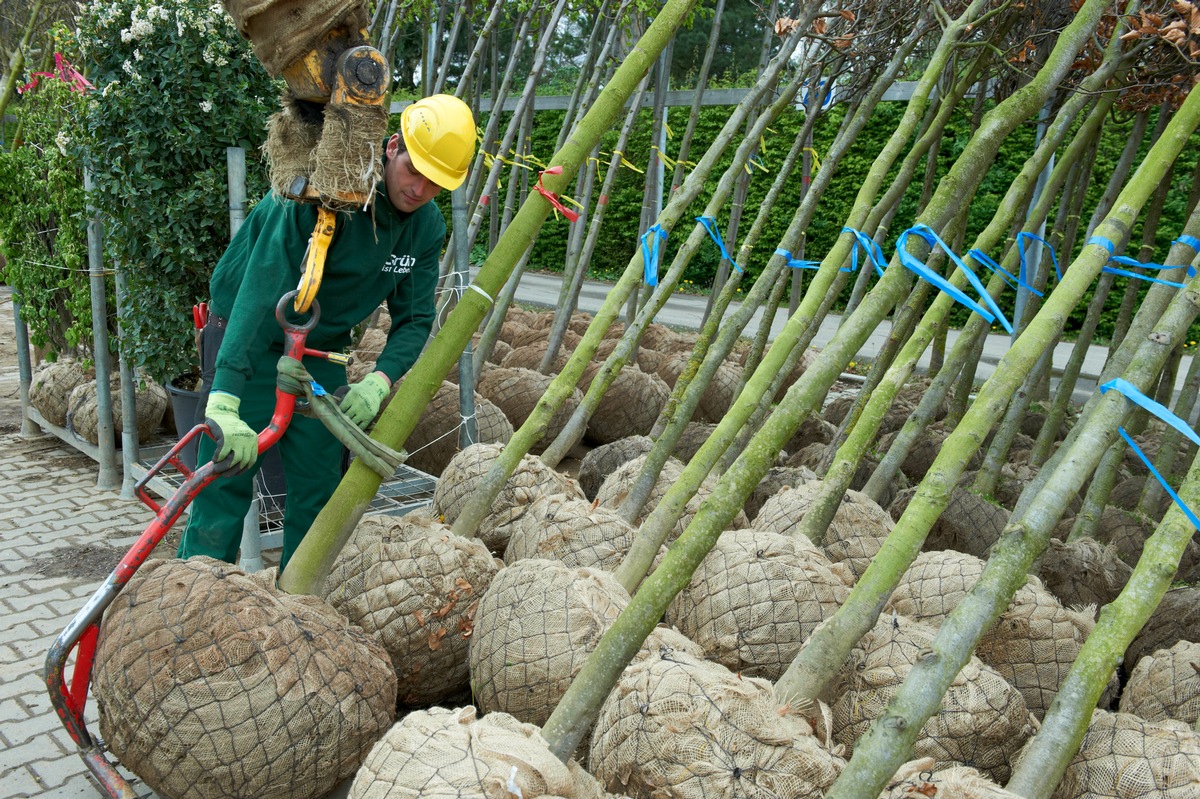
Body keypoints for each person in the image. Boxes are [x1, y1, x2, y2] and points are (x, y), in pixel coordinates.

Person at [177, 94, 476, 573]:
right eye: (413, 170)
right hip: (247, 335)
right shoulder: (324, 188)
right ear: (391, 146)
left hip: (317, 346)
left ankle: (295, 609)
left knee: (316, 485)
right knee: (226, 475)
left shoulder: (425, 227)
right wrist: (227, 394)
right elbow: (258, 290)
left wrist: (380, 381)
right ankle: (194, 595)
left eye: (436, 183)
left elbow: (416, 318)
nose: (420, 189)